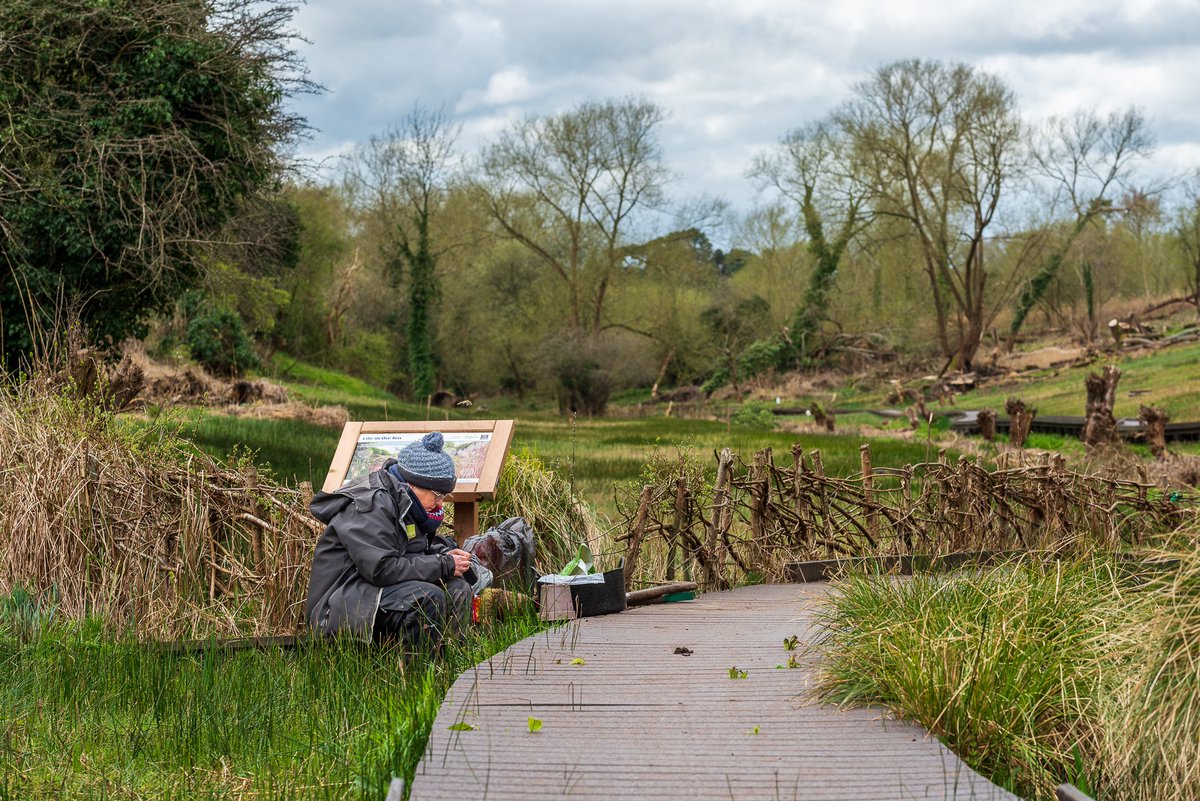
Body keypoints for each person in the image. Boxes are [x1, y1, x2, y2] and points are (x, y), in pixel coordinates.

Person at [305, 431, 474, 645]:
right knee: (427, 597)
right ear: (413, 485)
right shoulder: (372, 504)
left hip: (373, 591)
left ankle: (452, 667)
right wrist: (442, 565)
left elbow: (410, 552)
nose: (441, 504)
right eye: (437, 496)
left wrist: (442, 556)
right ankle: (420, 675)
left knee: (458, 589)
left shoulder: (406, 502)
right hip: (339, 603)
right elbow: (381, 569)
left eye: (444, 496)